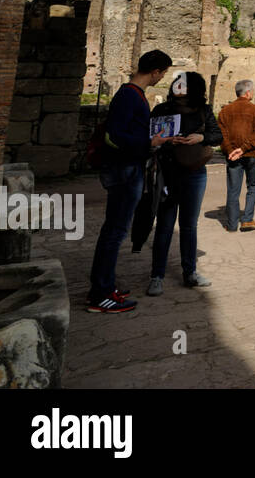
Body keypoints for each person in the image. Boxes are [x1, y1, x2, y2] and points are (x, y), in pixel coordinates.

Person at [87, 49, 173, 313]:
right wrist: (150, 142)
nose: (162, 78)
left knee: (114, 231)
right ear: (155, 71)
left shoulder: (133, 95)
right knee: (114, 232)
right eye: (163, 73)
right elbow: (115, 136)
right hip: (124, 171)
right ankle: (100, 294)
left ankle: (105, 285)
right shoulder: (128, 96)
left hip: (128, 169)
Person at [146, 72, 222, 294]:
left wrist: (201, 138)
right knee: (165, 225)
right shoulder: (162, 110)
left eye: (184, 83)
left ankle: (190, 272)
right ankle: (157, 276)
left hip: (194, 171)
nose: (179, 85)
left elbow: (217, 136)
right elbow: (150, 139)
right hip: (168, 171)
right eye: (177, 82)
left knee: (189, 225)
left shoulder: (203, 111)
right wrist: (169, 141)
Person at [219, 79, 255, 232]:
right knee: (253, 185)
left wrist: (231, 150)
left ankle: (232, 224)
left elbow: (222, 135)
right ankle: (247, 219)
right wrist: (244, 148)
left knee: (233, 189)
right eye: (252, 91)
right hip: (251, 153)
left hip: (233, 156)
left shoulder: (224, 111)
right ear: (248, 92)